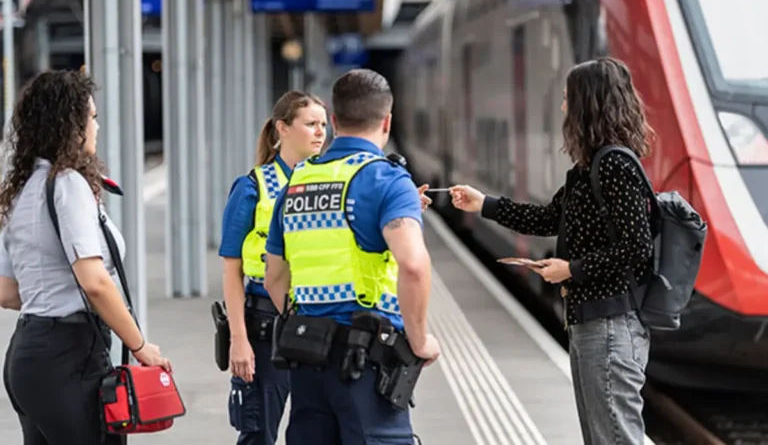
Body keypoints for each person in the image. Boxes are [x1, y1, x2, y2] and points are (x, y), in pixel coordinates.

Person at [450, 57, 654, 445]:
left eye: (567, 99)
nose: (563, 108)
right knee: (601, 437)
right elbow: (548, 219)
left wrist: (571, 270)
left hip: (610, 324)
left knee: (614, 437)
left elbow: (636, 248)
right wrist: (484, 204)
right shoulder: (588, 168)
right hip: (589, 322)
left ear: (587, 105)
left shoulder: (614, 166)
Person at [264, 69, 441, 445]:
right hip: (366, 362)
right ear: (387, 121)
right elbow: (412, 264)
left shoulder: (297, 182)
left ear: (332, 119)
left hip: (307, 356)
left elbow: (274, 278)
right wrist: (420, 338)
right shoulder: (388, 181)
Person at [0, 70, 171, 445]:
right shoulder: (67, 184)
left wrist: (47, 291)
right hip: (69, 355)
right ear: (69, 125)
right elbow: (94, 282)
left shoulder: (20, 191)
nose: (96, 126)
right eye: (90, 117)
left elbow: (7, 292)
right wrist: (140, 346)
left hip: (27, 357)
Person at [218, 90, 328, 445]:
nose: (320, 133)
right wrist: (239, 340)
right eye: (310, 124)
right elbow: (231, 268)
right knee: (259, 434)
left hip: (316, 324)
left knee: (317, 432)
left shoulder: (325, 184)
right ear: (282, 128)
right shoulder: (251, 187)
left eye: (324, 125)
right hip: (264, 328)